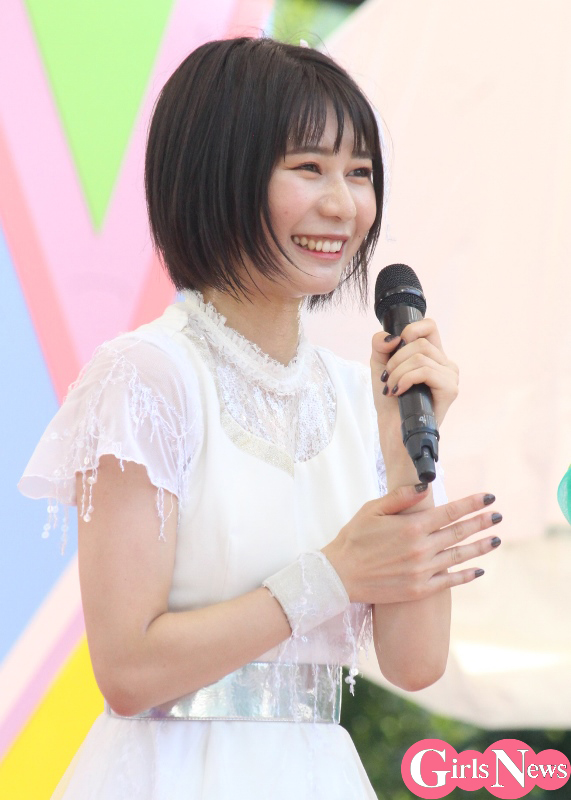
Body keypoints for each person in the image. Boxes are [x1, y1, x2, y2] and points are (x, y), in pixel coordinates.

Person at [18, 37, 502, 800]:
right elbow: (128, 671)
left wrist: (407, 465)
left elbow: (414, 663)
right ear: (219, 171)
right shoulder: (148, 376)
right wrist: (331, 576)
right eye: (308, 168)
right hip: (170, 774)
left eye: (360, 173)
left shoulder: (365, 396)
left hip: (317, 772)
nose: (342, 205)